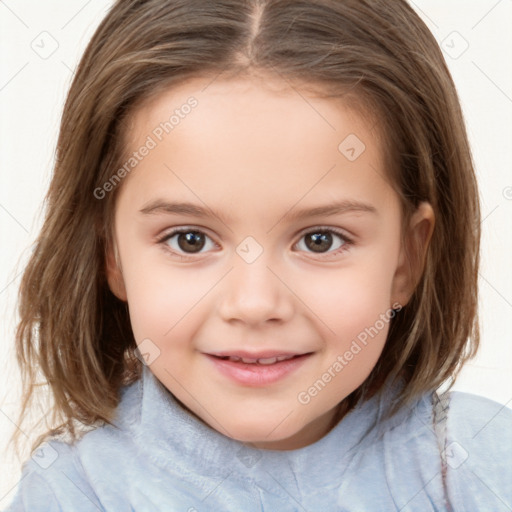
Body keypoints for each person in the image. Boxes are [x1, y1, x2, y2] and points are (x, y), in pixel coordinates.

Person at [4, 0, 511, 510]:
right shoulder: (74, 493)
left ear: (406, 258)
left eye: (320, 240)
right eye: (190, 239)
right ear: (111, 255)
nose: (253, 303)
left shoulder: (474, 463)